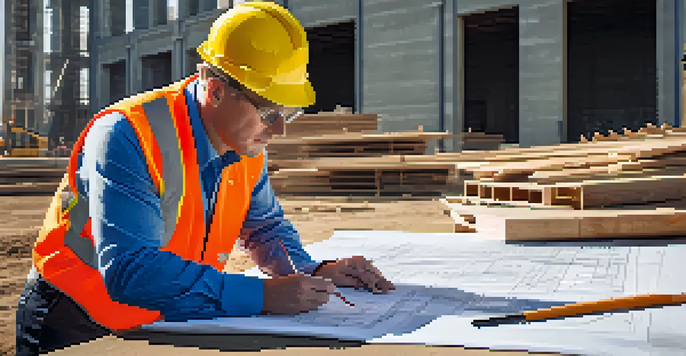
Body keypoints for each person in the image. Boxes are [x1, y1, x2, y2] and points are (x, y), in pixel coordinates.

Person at [15, 3, 394, 355]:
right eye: (269, 111)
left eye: (287, 112)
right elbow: (130, 271)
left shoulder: (246, 143)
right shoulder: (128, 134)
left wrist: (312, 270)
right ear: (214, 90)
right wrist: (262, 296)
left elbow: (264, 227)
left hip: (167, 313)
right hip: (75, 317)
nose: (279, 129)